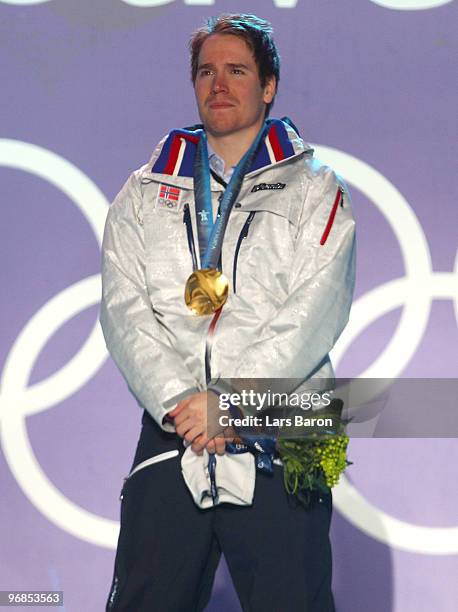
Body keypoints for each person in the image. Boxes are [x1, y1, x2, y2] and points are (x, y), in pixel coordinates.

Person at [101, 13, 355, 612]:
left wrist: (232, 400)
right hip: (175, 426)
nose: (219, 83)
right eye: (206, 71)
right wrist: (182, 403)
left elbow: (315, 311)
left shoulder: (317, 187)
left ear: (268, 86)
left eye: (237, 70)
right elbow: (123, 309)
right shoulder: (143, 190)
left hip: (280, 424)